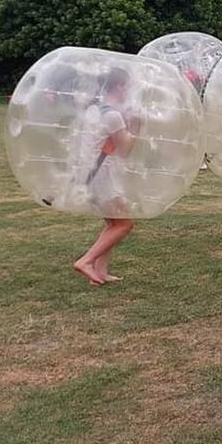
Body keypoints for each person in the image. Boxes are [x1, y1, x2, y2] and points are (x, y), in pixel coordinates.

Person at [73, 67, 140, 287]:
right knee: (124, 224)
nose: (128, 93)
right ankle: (86, 261)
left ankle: (100, 273)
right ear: (119, 86)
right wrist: (137, 126)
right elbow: (125, 148)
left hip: (89, 174)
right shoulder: (112, 115)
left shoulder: (94, 109)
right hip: (105, 175)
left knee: (113, 223)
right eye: (127, 87)